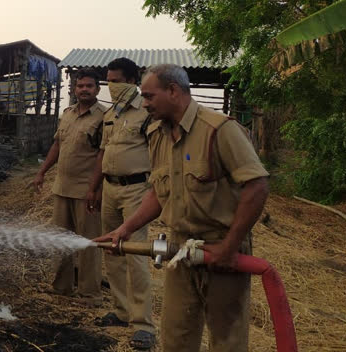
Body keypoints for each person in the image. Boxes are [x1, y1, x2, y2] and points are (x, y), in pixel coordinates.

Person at [95, 64, 269, 352]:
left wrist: (230, 247)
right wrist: (126, 228)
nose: (145, 103)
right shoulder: (157, 134)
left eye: (150, 96)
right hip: (180, 251)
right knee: (176, 337)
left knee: (226, 340)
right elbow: (158, 193)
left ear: (173, 91)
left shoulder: (219, 129)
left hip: (220, 252)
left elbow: (257, 186)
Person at [85, 58, 155, 350]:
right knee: (111, 252)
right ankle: (121, 310)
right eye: (109, 81)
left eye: (116, 81)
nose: (111, 87)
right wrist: (95, 187)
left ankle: (143, 325)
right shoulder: (111, 114)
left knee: (135, 254)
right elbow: (103, 152)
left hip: (136, 189)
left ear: (132, 81)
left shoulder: (147, 114)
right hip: (110, 189)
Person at [29, 68, 105, 303]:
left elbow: (104, 156)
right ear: (74, 89)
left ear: (97, 89)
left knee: (88, 242)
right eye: (80, 86)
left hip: (87, 191)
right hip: (62, 188)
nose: (84, 90)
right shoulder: (67, 114)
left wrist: (96, 188)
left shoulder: (105, 116)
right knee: (60, 239)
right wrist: (41, 172)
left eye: (89, 86)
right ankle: (61, 287)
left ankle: (89, 292)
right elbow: (57, 146)